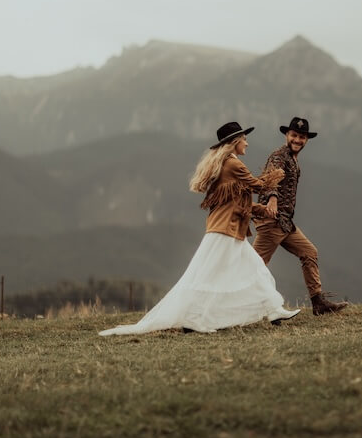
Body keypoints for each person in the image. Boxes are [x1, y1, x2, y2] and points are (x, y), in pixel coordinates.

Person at [99, 122, 300, 336]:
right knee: (209, 276)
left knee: (255, 269)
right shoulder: (234, 165)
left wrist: (262, 210)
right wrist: (279, 176)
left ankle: (273, 310)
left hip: (228, 229)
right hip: (225, 231)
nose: (247, 143)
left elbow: (238, 203)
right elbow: (259, 186)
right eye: (244, 139)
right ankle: (197, 318)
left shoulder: (226, 164)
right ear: (235, 142)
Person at [253, 117, 348, 316]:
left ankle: (318, 302)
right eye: (294, 135)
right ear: (287, 135)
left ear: (306, 140)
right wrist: (272, 198)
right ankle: (225, 306)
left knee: (309, 252)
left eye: (302, 137)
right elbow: (271, 176)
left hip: (285, 223)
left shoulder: (293, 159)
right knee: (253, 265)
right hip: (271, 221)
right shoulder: (279, 156)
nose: (297, 140)